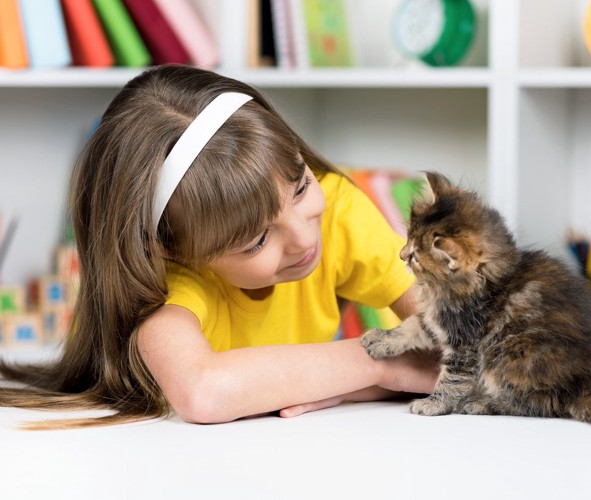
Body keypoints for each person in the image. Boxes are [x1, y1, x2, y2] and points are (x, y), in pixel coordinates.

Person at [0, 65, 436, 429]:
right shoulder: (176, 284)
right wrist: (381, 363)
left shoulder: (340, 210)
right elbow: (203, 393)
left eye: (302, 187)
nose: (304, 237)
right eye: (256, 240)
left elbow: (459, 348)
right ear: (176, 250)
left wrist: (340, 383)